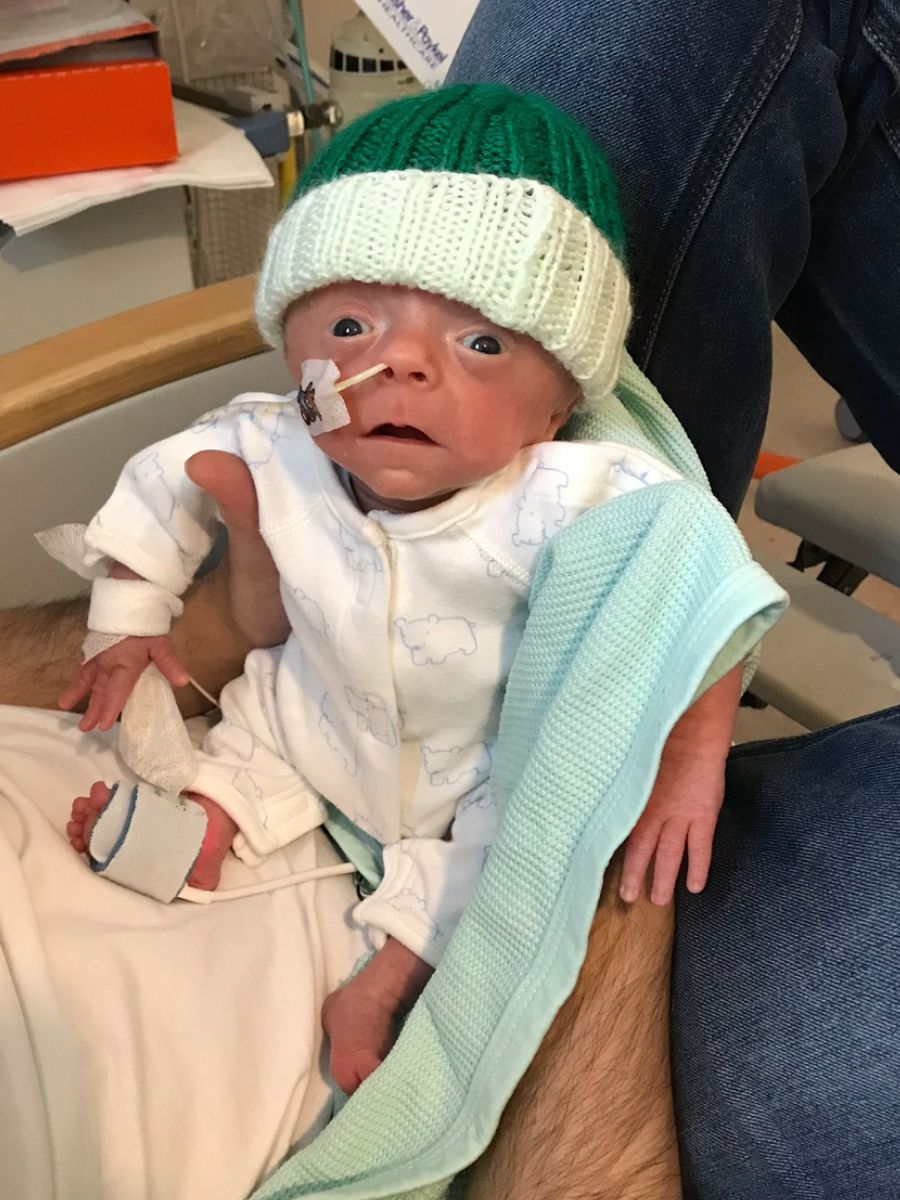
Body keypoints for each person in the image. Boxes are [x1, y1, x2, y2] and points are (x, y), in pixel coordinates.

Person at [44, 84, 771, 1099]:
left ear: (559, 404)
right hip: (321, 708)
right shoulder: (273, 440)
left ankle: (385, 978)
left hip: (471, 760)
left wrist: (690, 758)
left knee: (502, 845)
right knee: (257, 730)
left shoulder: (573, 494)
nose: (399, 367)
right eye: (349, 322)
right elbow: (161, 490)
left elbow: (699, 590)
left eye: (480, 344)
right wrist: (128, 621)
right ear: (289, 346)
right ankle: (207, 827)